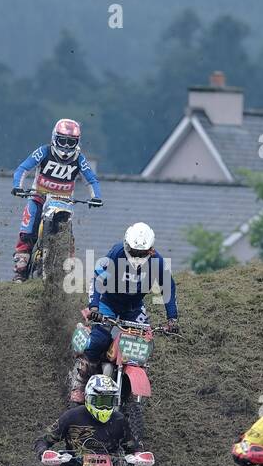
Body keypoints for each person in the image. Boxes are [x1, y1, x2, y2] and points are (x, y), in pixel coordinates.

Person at [68, 222, 179, 403]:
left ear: (150, 250)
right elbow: (98, 279)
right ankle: (79, 380)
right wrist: (94, 307)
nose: (137, 256)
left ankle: (127, 381)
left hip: (133, 306)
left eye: (141, 253)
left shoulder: (157, 262)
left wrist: (172, 318)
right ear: (127, 245)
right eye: (134, 251)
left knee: (143, 340)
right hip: (107, 300)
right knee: (100, 339)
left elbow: (169, 288)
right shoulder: (117, 253)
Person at [10, 118, 103, 281]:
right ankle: (20, 267)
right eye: (62, 141)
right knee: (27, 229)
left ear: (77, 142)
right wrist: (18, 186)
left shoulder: (79, 159)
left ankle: (68, 265)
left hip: (63, 202)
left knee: (69, 235)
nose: (66, 146)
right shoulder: (44, 151)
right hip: (38, 196)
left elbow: (91, 180)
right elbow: (23, 168)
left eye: (70, 142)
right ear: (54, 138)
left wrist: (96, 197)